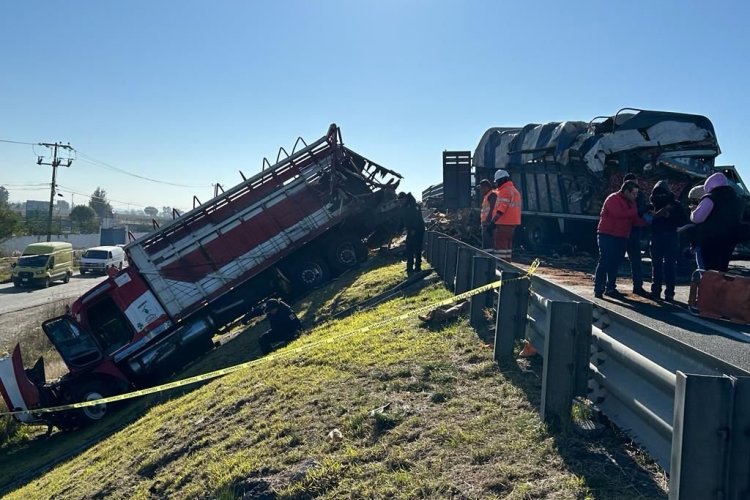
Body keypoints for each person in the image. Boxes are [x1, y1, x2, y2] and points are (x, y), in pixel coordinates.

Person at [593, 180, 643, 299]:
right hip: (607, 234)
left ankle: (610, 287)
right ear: (626, 191)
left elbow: (634, 220)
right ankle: (598, 288)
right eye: (634, 193)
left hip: (621, 236)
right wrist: (637, 211)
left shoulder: (631, 203)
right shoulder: (613, 198)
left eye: (636, 194)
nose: (635, 196)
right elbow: (618, 214)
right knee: (605, 260)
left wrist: (649, 219)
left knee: (615, 262)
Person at [690, 172, 744, 272]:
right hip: (729, 240)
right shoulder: (737, 200)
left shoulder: (710, 198)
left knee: (707, 272)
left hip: (709, 240)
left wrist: (693, 210)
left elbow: (697, 218)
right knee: (721, 271)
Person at [647, 180, 686, 301]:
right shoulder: (652, 205)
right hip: (658, 236)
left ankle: (668, 292)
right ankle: (657, 291)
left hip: (669, 237)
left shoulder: (675, 205)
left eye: (662, 194)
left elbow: (682, 221)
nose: (660, 196)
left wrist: (669, 216)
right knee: (658, 266)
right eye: (658, 194)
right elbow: (646, 221)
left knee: (667, 266)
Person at [622, 173, 648, 295]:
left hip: (633, 230)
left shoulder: (639, 195)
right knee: (615, 259)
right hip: (623, 231)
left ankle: (638, 286)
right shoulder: (619, 197)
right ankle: (609, 285)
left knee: (636, 260)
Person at [490, 169, 522, 261]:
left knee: (501, 246)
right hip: (512, 224)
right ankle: (507, 265)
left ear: (502, 180)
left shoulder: (505, 191)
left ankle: (501, 266)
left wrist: (492, 222)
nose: (497, 184)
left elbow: (501, 210)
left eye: (497, 181)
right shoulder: (514, 191)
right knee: (507, 246)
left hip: (503, 223)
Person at [398, 192, 425, 275]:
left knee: (417, 249)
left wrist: (414, 229)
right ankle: (409, 268)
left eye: (401, 200)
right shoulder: (403, 208)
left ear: (405, 198)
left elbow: (417, 218)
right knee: (409, 248)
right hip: (410, 231)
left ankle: (417, 267)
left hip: (418, 230)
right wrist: (398, 230)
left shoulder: (415, 206)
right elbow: (402, 221)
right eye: (399, 200)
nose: (400, 202)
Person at [478, 179, 496, 251]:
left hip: (488, 224)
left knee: (488, 245)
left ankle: (488, 259)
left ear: (486, 187)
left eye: (482, 188)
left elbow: (492, 209)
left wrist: (487, 221)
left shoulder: (492, 195)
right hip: (486, 223)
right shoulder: (487, 195)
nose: (481, 190)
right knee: (486, 244)